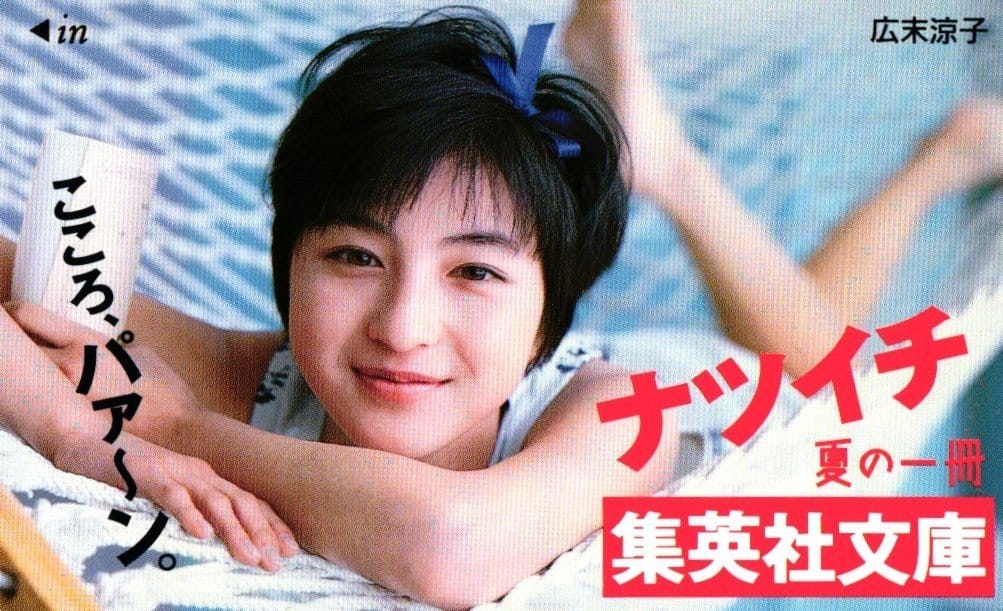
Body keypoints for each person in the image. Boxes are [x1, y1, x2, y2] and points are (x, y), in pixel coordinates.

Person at [0, 1, 1000, 607]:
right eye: (354, 254)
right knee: (817, 336)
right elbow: (32, 286)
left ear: (548, 306)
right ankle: (908, 153)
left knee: (848, 377)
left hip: (717, 399)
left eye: (473, 271)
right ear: (287, 262)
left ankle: (891, 162)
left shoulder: (621, 412)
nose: (403, 326)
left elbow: (449, 549)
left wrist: (170, 427)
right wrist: (80, 433)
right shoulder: (251, 370)